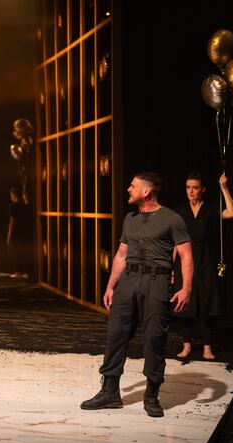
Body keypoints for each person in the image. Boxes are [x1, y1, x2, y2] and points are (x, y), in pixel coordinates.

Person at [80, 172, 193, 417]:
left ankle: (151, 394)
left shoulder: (171, 219)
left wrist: (186, 288)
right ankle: (110, 391)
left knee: (154, 337)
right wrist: (111, 286)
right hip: (129, 280)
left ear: (146, 191)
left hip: (156, 281)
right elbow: (121, 254)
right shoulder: (129, 219)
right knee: (116, 333)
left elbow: (186, 255)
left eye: (133, 186)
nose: (128, 189)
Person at [174, 172, 233, 360]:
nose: (191, 191)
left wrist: (224, 188)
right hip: (185, 262)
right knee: (185, 303)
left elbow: (232, 212)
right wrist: (170, 267)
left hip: (206, 262)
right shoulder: (179, 211)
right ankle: (186, 345)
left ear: (202, 190)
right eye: (188, 187)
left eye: (194, 187)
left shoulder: (210, 208)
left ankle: (207, 347)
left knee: (206, 304)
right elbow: (176, 242)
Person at [7, 186, 31, 279]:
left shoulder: (13, 206)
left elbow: (12, 221)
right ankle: (26, 272)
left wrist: (9, 234)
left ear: (13, 195)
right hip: (24, 231)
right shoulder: (25, 205)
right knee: (24, 251)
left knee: (15, 252)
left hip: (16, 232)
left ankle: (17, 272)